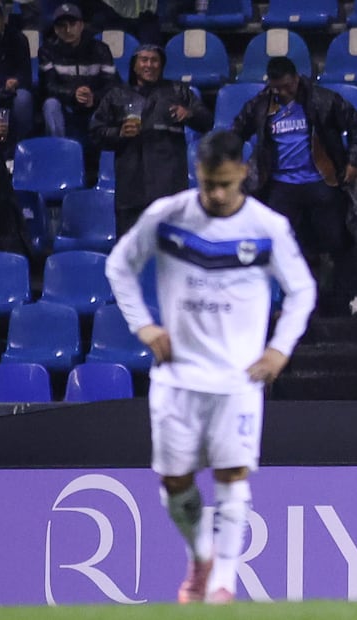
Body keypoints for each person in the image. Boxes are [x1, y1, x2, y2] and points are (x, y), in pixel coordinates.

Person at [104, 130, 317, 604]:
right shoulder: (168, 216)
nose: (215, 194)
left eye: (223, 183)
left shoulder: (267, 226)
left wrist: (279, 349)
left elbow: (302, 290)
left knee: (232, 475)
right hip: (177, 377)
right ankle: (200, 553)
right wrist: (143, 326)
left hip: (238, 380)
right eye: (206, 183)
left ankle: (223, 581)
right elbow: (119, 265)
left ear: (243, 172)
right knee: (174, 482)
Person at [232, 56, 357, 317]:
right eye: (277, 87)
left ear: (296, 79)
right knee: (283, 247)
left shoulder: (322, 100)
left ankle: (354, 297)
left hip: (321, 181)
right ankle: (292, 301)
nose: (283, 92)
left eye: (287, 86)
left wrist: (354, 161)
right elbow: (236, 131)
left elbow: (356, 124)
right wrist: (236, 164)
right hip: (280, 186)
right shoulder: (261, 105)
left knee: (340, 240)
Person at [90, 44, 213, 234]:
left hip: (169, 187)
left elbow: (206, 121)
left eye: (155, 60)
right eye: (144, 60)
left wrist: (189, 114)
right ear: (134, 65)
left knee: (170, 253)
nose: (150, 65)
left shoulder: (178, 91)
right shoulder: (116, 95)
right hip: (131, 190)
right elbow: (95, 133)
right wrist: (119, 133)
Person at [39, 3, 119, 142]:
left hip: (94, 103)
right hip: (65, 104)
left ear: (81, 25)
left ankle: (104, 154)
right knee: (50, 104)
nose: (68, 29)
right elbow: (48, 87)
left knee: (112, 102)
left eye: (72, 23)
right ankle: (59, 150)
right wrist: (73, 94)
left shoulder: (101, 50)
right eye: (62, 25)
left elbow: (111, 85)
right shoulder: (47, 51)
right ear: (56, 29)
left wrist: (94, 97)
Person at [0, 1, 34, 160]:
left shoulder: (18, 39)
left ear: (2, 20)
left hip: (11, 91)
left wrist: (15, 81)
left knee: (23, 99)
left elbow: (26, 74)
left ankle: (20, 149)